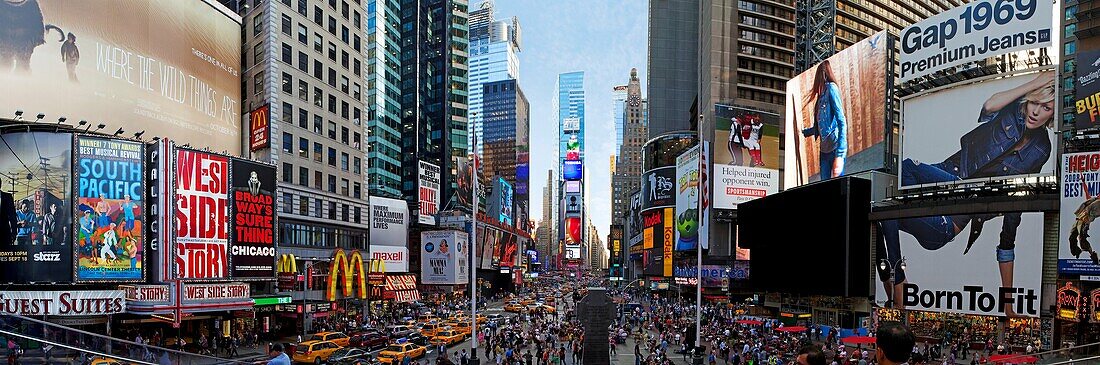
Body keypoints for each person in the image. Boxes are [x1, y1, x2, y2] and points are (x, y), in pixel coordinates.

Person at [878, 72, 1056, 314]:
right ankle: (895, 284)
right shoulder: (1013, 111)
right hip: (946, 179)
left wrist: (1008, 304)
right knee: (885, 212)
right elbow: (988, 106)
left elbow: (1012, 217)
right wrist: (1035, 83)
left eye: (1045, 107)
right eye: (1034, 102)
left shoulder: (1041, 150)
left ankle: (897, 280)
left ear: (1053, 114)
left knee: (905, 176)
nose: (1036, 112)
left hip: (948, 219)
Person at [800, 60, 848, 180]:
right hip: (824, 150)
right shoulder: (820, 98)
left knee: (838, 188)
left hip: (834, 147)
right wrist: (804, 132)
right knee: (824, 188)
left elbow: (841, 121)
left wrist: (840, 156)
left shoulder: (831, 88)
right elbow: (820, 127)